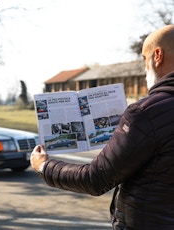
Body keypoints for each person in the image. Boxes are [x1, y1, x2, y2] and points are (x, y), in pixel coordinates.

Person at [30, 24, 174, 229]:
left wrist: (44, 166)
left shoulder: (144, 113)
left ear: (157, 56)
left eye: (144, 59)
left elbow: (95, 179)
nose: (144, 70)